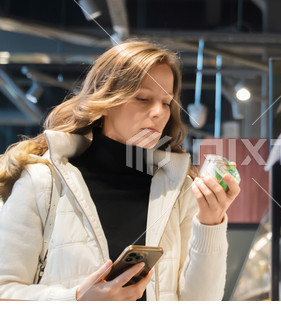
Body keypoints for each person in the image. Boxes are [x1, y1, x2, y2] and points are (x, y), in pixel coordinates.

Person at [0, 41, 240, 301]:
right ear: (105, 101)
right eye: (143, 99)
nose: (159, 113)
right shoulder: (42, 182)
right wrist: (78, 301)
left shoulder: (178, 189)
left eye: (166, 102)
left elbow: (200, 306)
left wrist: (211, 222)